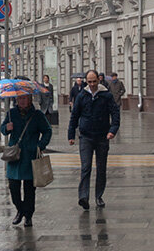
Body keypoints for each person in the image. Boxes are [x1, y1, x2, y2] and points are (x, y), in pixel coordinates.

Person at [67, 69, 120, 210]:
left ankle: (98, 196)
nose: (91, 84)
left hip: (102, 136)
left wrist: (112, 130)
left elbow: (115, 114)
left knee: (101, 168)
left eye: (94, 81)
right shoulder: (82, 95)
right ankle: (83, 197)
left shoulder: (106, 96)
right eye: (89, 82)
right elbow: (74, 116)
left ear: (98, 80)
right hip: (86, 136)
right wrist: (71, 135)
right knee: (86, 167)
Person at [0, 92, 53, 228]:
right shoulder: (12, 113)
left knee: (30, 189)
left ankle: (28, 216)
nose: (22, 101)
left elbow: (47, 130)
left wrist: (40, 146)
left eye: (24, 98)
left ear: (30, 99)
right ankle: (20, 209)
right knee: (13, 187)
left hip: (30, 156)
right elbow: (3, 129)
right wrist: (7, 128)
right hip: (15, 156)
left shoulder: (37, 115)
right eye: (19, 98)